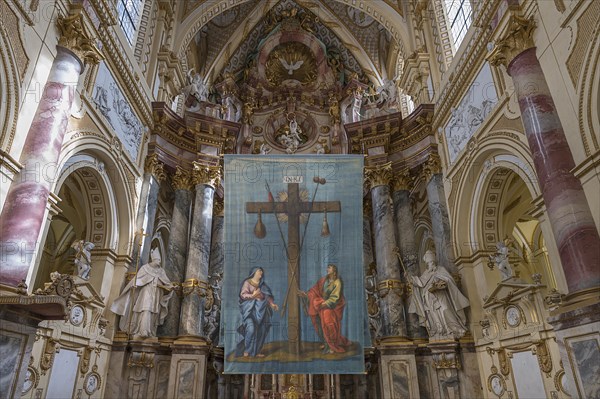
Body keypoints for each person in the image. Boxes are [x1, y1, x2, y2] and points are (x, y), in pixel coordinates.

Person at [110, 248, 173, 338]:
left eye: (159, 260)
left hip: (156, 294)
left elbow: (166, 282)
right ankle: (142, 330)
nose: (159, 262)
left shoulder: (161, 271)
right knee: (145, 309)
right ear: (153, 259)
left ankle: (150, 331)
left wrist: (171, 287)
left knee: (153, 312)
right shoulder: (145, 268)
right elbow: (138, 279)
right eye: (157, 260)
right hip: (146, 292)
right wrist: (136, 283)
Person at [407, 250, 470, 339]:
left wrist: (440, 282)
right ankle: (439, 330)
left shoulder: (441, 269)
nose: (431, 264)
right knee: (433, 314)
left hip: (441, 294)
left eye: (432, 262)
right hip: (429, 297)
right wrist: (413, 280)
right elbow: (420, 283)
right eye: (429, 263)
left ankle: (454, 329)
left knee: (445, 309)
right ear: (427, 263)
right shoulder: (426, 273)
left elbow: (449, 280)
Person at [299, 264, 351, 353]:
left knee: (329, 324)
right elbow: (314, 290)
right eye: (327, 268)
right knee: (317, 322)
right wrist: (306, 295)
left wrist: (324, 304)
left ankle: (332, 345)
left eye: (329, 268)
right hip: (321, 304)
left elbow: (335, 298)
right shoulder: (323, 280)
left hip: (332, 307)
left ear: (334, 270)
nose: (327, 269)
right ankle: (326, 342)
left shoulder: (337, 282)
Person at [236, 267, 279, 358]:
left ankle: (256, 352)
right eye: (260, 271)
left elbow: (267, 297)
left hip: (262, 311)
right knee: (251, 329)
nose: (262, 272)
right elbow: (243, 295)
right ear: (254, 272)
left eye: (262, 271)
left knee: (262, 331)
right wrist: (253, 295)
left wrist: (272, 304)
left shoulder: (262, 285)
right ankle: (247, 350)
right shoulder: (247, 283)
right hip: (250, 310)